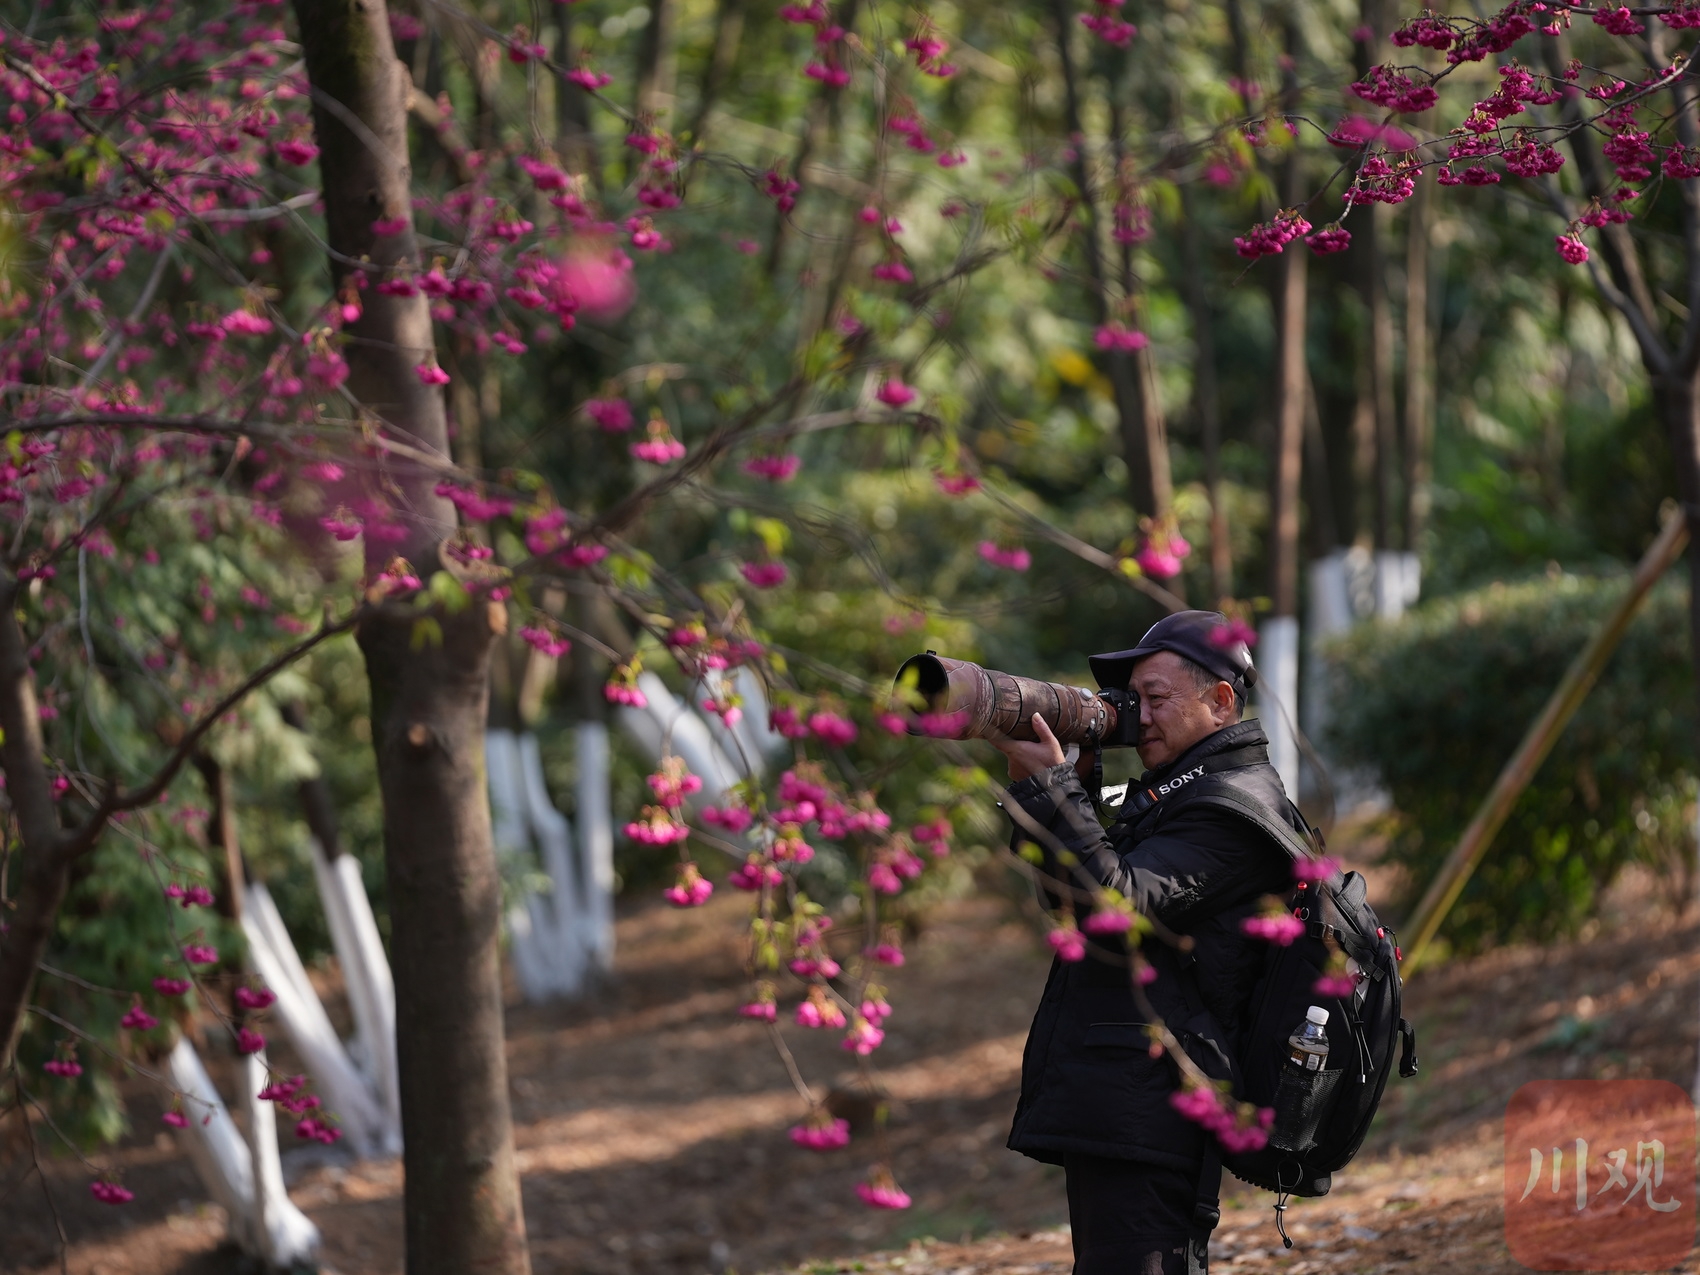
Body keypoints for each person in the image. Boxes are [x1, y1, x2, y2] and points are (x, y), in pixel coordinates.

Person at [991, 610, 1309, 1275]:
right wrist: (1068, 786)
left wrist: (1056, 791)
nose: (1138, 716)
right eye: (1130, 699)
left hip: (1160, 1103)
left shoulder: (1233, 809)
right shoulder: (1179, 795)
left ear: (1220, 700)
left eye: (1155, 697)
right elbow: (1078, 905)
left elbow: (1119, 901)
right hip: (1126, 1094)